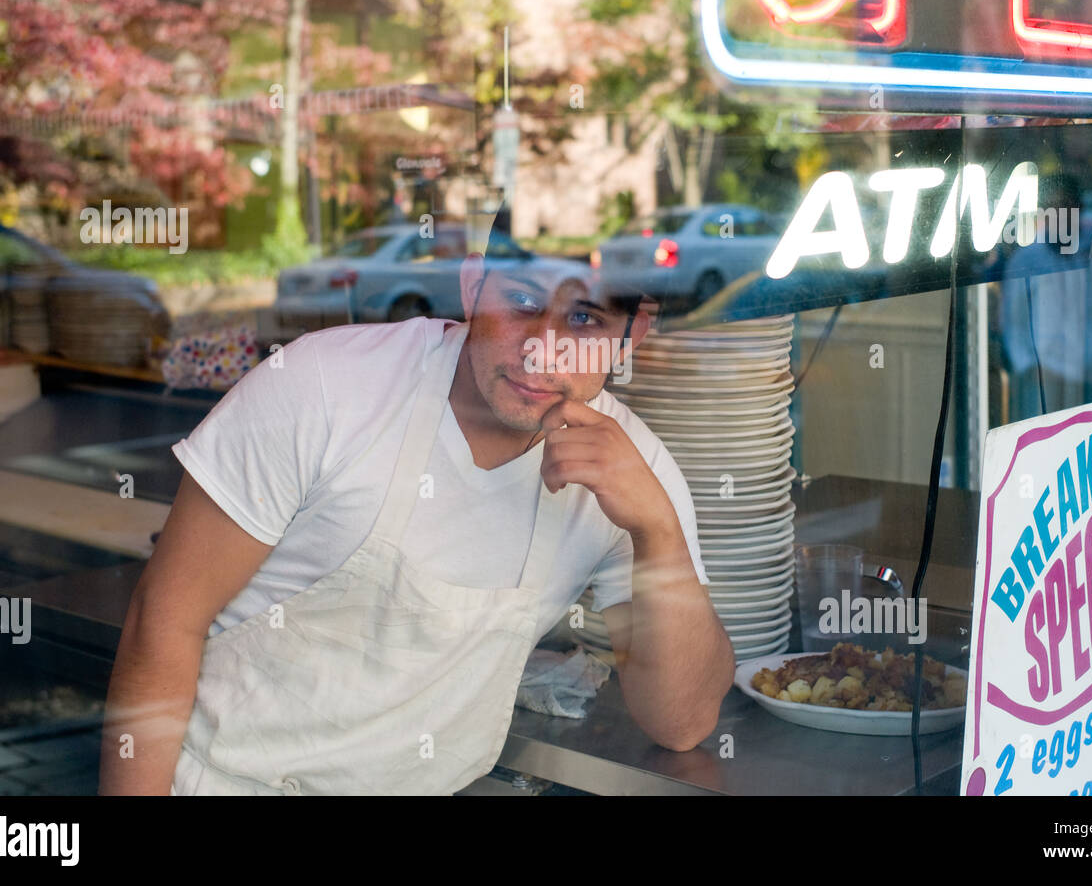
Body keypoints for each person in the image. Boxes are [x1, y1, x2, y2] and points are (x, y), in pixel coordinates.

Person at [99, 247, 734, 795]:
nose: (544, 348)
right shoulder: (325, 385)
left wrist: (659, 533)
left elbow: (680, 722)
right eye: (519, 302)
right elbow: (162, 623)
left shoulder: (634, 466)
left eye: (584, 319)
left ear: (635, 333)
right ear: (471, 286)